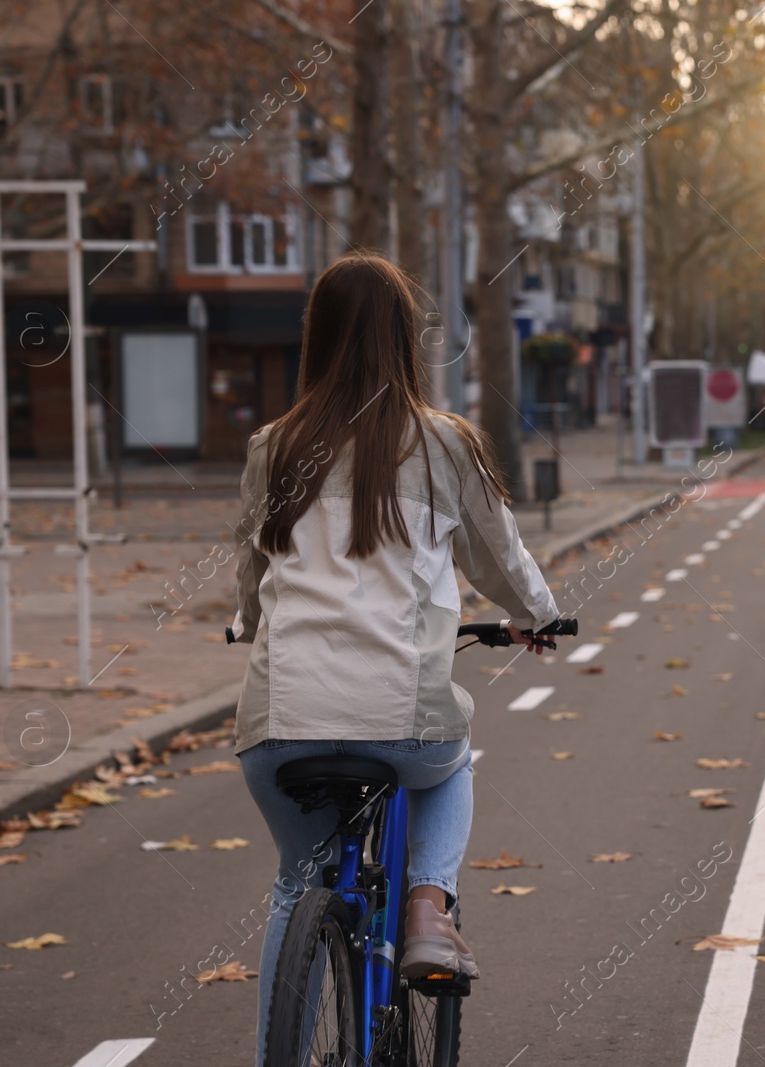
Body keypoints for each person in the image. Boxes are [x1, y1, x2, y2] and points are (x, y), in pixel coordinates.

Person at [229, 252, 561, 1064]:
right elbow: (500, 557)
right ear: (405, 341)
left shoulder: (272, 446)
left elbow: (251, 568)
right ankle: (424, 904)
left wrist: (245, 623)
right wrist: (536, 617)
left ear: (316, 337)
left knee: (294, 882)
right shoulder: (446, 445)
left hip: (280, 721)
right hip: (399, 716)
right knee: (449, 765)